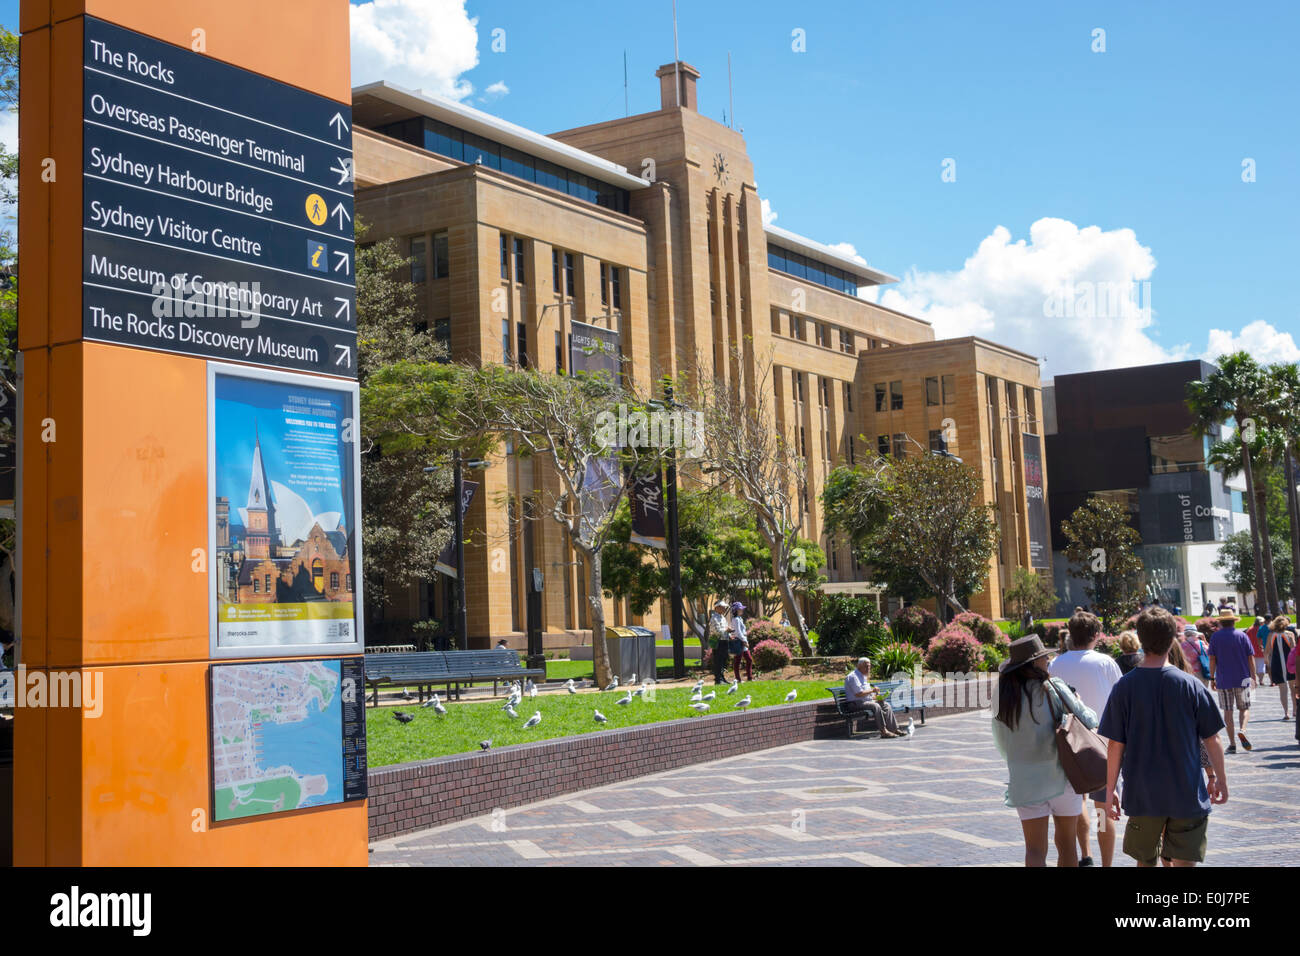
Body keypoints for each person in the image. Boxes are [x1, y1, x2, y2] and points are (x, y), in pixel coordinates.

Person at [1100, 607, 1227, 867]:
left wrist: (1110, 789)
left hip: (1142, 793)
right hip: (1187, 792)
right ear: (1173, 640)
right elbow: (1212, 739)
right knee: (1184, 863)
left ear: (1140, 640)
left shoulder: (1124, 687)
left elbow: (1115, 745)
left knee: (1145, 861)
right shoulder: (1191, 685)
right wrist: (1219, 779)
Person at [992, 636, 1097, 867]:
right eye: (1043, 657)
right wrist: (1077, 699)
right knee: (1067, 845)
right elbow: (1089, 720)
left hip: (1025, 780)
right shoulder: (1053, 687)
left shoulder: (1003, 696)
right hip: (1062, 777)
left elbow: (1002, 744)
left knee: (1034, 850)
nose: (1048, 659)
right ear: (1034, 663)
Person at [1049, 611, 1123, 867]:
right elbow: (1122, 701)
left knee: (1075, 800)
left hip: (1067, 743)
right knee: (1104, 810)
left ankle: (1086, 853)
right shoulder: (1105, 663)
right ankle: (1106, 864)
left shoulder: (1055, 664)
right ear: (1096, 635)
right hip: (1102, 745)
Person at [1208, 611, 1256, 753]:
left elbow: (1212, 659)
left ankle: (1232, 744)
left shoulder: (1215, 637)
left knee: (1227, 712)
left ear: (1221, 622)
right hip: (1243, 678)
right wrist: (1253, 676)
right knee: (1245, 708)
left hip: (1224, 679)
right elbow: (1250, 658)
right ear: (1234, 621)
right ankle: (1243, 730)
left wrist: (1212, 678)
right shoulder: (1242, 636)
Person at [843, 658, 907, 738]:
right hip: (855, 704)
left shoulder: (863, 676)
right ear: (859, 666)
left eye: (869, 666)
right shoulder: (853, 677)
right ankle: (883, 731)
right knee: (875, 706)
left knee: (885, 704)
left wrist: (876, 698)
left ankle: (894, 729)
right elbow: (858, 694)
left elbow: (866, 695)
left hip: (864, 702)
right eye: (866, 666)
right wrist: (872, 690)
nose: (868, 669)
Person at [1263, 615, 1296, 719]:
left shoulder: (1271, 635)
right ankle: (1295, 710)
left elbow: (1267, 652)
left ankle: (1286, 712)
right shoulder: (1290, 634)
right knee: (1293, 688)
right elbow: (1294, 651)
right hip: (1289, 664)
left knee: (1283, 690)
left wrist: (1268, 664)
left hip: (1277, 664)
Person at [728, 602, 753, 683]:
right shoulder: (735, 620)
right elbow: (738, 632)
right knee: (737, 661)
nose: (742, 610)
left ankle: (749, 678)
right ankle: (738, 679)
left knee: (749, 660)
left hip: (742, 642)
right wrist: (745, 641)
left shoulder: (739, 619)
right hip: (739, 643)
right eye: (740, 608)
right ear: (736, 610)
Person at [707, 600, 730, 685]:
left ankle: (722, 678)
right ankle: (718, 680)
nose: (724, 608)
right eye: (722, 607)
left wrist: (729, 634)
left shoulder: (723, 617)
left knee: (723, 661)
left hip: (724, 641)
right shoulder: (714, 618)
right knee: (718, 661)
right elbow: (716, 630)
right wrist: (727, 630)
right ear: (717, 608)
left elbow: (725, 628)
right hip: (718, 642)